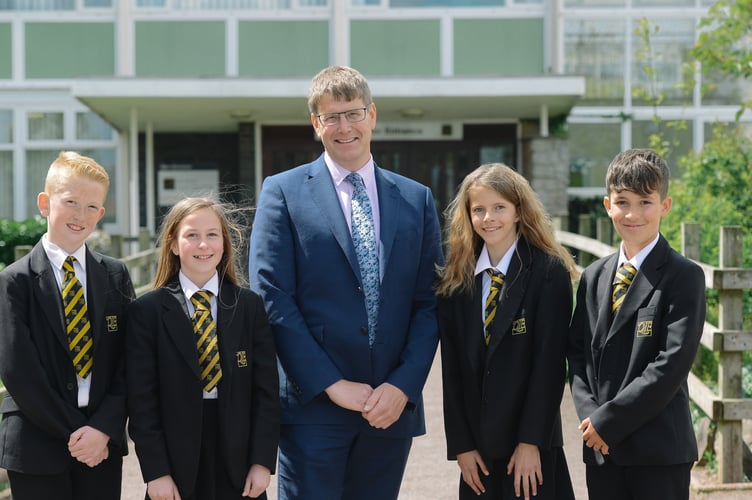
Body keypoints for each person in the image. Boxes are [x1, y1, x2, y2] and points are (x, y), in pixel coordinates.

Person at [248, 65, 443, 500]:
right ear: (316, 125)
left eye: (353, 113)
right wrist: (332, 385)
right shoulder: (282, 192)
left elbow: (430, 302)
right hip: (314, 407)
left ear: (372, 115)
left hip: (390, 409)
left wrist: (402, 387)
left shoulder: (416, 199)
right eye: (331, 117)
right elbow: (271, 296)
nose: (344, 127)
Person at [567, 149, 706, 500]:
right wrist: (591, 420)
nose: (633, 214)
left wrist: (608, 421)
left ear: (665, 205)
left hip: (658, 451)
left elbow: (671, 364)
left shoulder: (683, 276)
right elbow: (578, 354)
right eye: (622, 202)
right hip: (601, 451)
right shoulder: (594, 276)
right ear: (606, 204)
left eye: (646, 202)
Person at [437, 163, 577, 500]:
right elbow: (451, 371)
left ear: (518, 211)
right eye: (479, 209)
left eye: (499, 207)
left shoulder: (548, 273)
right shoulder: (456, 281)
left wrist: (531, 442)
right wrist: (461, 447)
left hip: (530, 449)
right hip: (477, 454)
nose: (489, 218)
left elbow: (550, 367)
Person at [0, 151, 134, 500]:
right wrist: (79, 434)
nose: (81, 215)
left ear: (102, 214)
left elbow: (130, 360)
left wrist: (102, 429)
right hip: (36, 443)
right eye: (71, 201)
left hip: (101, 445)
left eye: (92, 207)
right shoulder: (14, 281)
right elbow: (18, 370)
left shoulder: (115, 275)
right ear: (45, 203)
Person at [126, 197, 279, 500]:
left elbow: (266, 393)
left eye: (212, 235)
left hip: (238, 462)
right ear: (173, 244)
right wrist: (156, 471)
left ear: (224, 243)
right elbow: (142, 400)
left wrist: (262, 462)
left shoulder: (248, 306)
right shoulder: (148, 311)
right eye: (191, 235)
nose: (203, 245)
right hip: (175, 463)